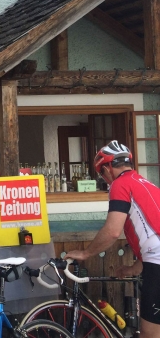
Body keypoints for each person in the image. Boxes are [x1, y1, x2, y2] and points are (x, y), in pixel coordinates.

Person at [66, 140, 160, 338]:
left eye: (101, 173)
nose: (104, 179)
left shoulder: (120, 185)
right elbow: (152, 231)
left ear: (108, 168)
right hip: (153, 260)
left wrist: (85, 253)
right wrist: (133, 269)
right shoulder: (146, 183)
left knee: (150, 334)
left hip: (158, 263)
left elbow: (112, 231)